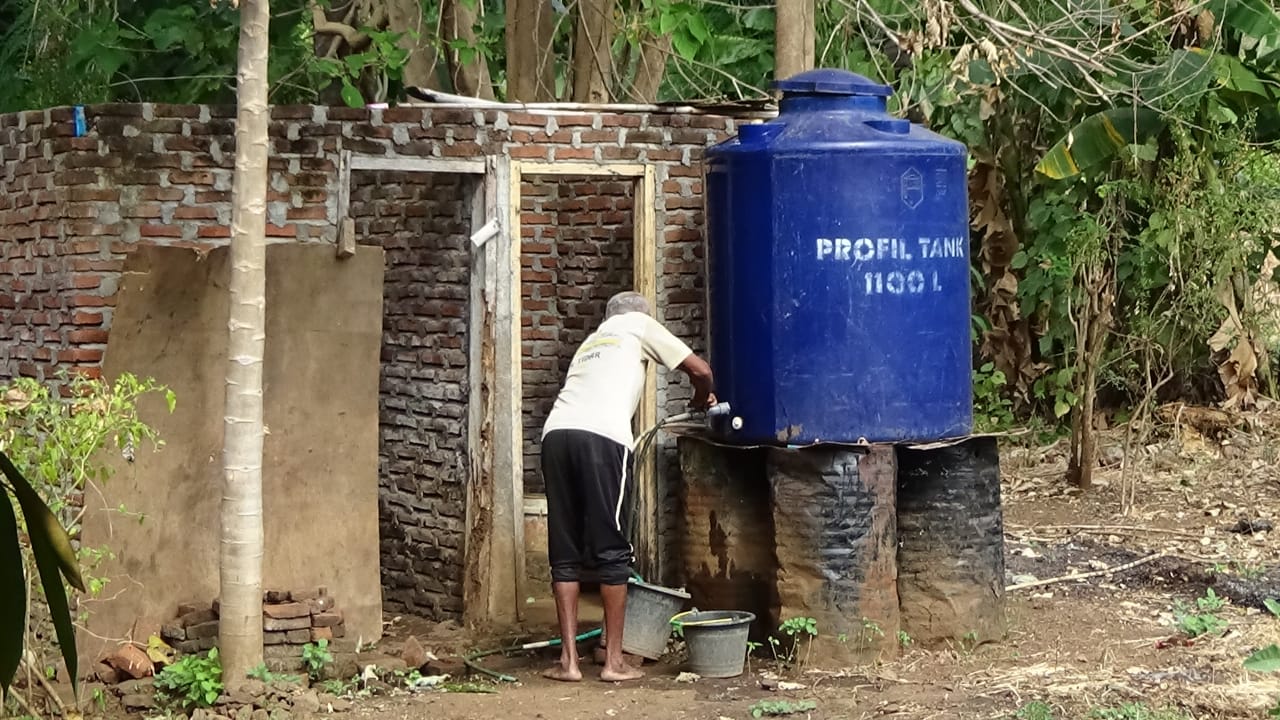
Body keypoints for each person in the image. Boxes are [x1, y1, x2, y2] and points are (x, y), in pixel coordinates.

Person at [539, 290, 716, 682]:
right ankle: (614, 663)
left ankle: (568, 663)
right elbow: (701, 371)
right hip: (601, 439)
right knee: (612, 548)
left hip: (556, 434)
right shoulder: (638, 324)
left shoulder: (593, 341)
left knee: (564, 550)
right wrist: (701, 399)